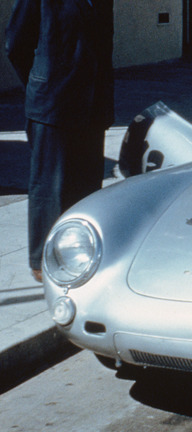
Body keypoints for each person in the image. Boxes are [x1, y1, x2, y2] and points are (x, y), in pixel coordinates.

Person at [5, 0, 115, 282]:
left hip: (92, 106)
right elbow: (15, 44)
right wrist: (43, 82)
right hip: (52, 105)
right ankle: (43, 262)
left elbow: (104, 48)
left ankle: (80, 256)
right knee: (50, 190)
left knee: (88, 188)